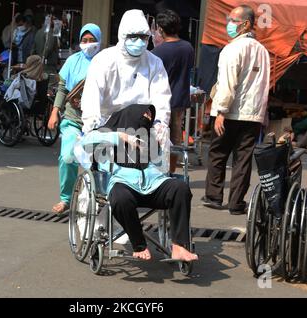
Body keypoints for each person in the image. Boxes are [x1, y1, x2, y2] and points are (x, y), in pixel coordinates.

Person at [80, 9, 198, 262]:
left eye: (143, 37)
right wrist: (100, 131)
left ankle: (180, 245)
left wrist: (160, 125)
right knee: (119, 193)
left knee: (179, 187)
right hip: (110, 123)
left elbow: (162, 98)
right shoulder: (104, 60)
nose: (138, 42)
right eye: (132, 36)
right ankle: (133, 238)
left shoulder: (153, 62)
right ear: (122, 35)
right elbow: (91, 99)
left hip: (145, 125)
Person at [201, 5, 270, 216]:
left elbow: (227, 84)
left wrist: (220, 111)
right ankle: (236, 202)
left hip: (230, 112)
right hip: (252, 115)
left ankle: (214, 196)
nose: (228, 24)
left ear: (246, 24)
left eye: (232, 20)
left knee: (218, 153)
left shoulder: (232, 49)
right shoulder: (263, 51)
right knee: (243, 158)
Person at [47, 23, 102, 215]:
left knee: (101, 160)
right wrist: (55, 111)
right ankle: (66, 198)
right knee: (68, 156)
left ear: (99, 41)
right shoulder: (72, 61)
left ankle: (102, 197)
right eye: (84, 40)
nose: (88, 44)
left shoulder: (105, 61)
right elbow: (62, 88)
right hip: (72, 117)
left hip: (98, 119)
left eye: (92, 40)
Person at [152, 9, 195, 173]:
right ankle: (171, 171)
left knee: (158, 137)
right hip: (179, 102)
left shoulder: (157, 53)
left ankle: (158, 171)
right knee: (175, 138)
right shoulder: (188, 48)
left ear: (161, 29)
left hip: (160, 103)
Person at [33, 15, 60, 84]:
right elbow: (48, 47)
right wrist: (43, 58)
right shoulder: (50, 32)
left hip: (39, 65)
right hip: (48, 65)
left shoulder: (38, 32)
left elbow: (33, 49)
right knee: (48, 87)